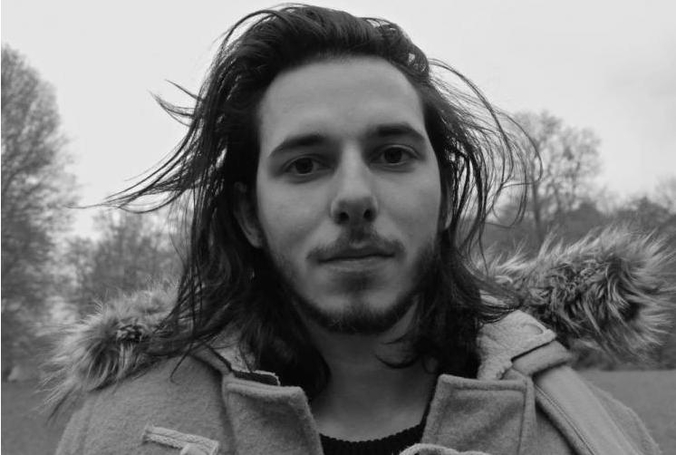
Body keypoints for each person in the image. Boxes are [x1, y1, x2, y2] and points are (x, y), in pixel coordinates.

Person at [48, 5, 667, 455]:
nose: (354, 197)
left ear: (445, 196)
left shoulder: (598, 438)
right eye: (304, 164)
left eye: (393, 154)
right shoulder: (115, 434)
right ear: (248, 216)